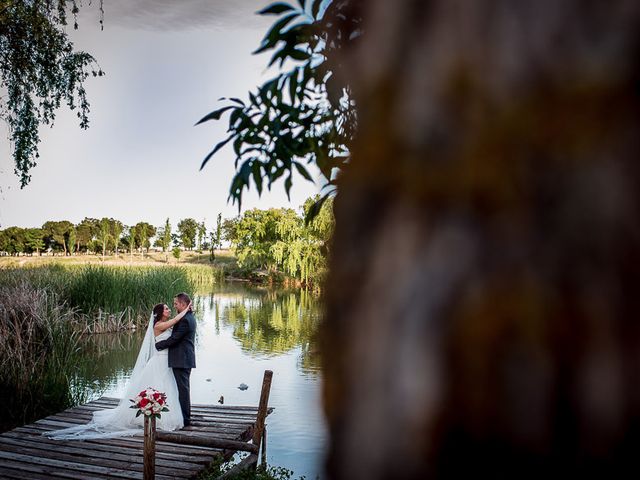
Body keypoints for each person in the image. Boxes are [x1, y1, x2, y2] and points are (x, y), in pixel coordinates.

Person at [44, 301, 191, 440]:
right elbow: (176, 320)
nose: (169, 310)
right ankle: (155, 417)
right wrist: (187, 308)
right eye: (166, 308)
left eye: (169, 308)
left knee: (168, 388)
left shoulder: (164, 325)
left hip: (166, 362)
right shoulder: (159, 326)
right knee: (161, 386)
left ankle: (161, 413)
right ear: (160, 313)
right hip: (159, 361)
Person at [155, 292, 197, 427]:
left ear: (183, 304)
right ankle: (182, 416)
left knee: (183, 390)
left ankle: (185, 419)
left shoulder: (185, 320)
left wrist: (158, 345)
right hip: (182, 358)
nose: (174, 306)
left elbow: (174, 339)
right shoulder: (188, 317)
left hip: (182, 359)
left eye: (176, 304)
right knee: (180, 389)